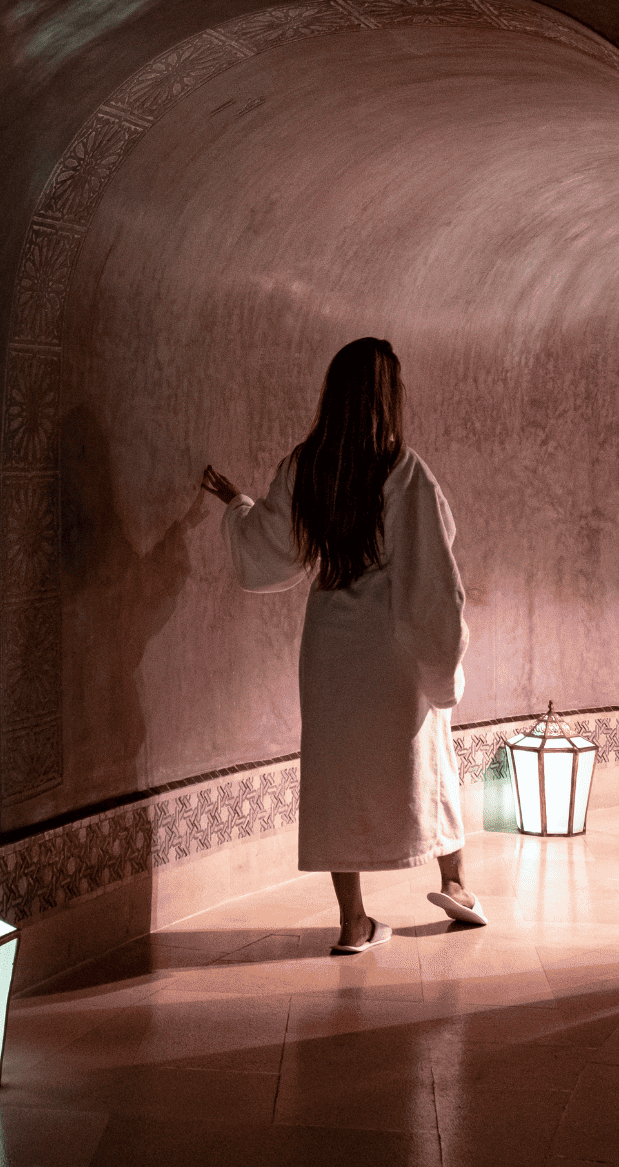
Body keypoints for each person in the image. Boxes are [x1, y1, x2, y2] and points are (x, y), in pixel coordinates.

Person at [200, 337, 482, 953]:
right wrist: (444, 668)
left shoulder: (307, 465)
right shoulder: (404, 470)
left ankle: (354, 921)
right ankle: (455, 884)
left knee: (335, 774)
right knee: (431, 752)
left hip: (330, 643)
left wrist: (236, 504)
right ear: (389, 394)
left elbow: (271, 545)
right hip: (391, 643)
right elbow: (432, 582)